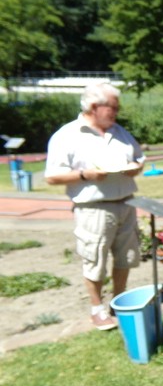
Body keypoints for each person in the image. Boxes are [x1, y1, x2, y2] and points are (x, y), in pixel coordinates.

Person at [44, 83, 145, 330]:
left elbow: (139, 159)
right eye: (113, 107)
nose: (116, 112)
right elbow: (52, 176)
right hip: (93, 208)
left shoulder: (120, 132)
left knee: (126, 257)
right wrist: (85, 175)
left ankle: (118, 303)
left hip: (126, 203)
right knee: (95, 260)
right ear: (93, 106)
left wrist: (135, 167)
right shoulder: (67, 135)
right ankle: (97, 308)